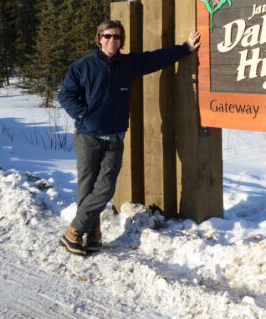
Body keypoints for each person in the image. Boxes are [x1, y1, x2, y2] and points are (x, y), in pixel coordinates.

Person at [57, 20, 201, 256]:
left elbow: (156, 58)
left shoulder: (128, 64)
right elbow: (66, 96)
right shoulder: (82, 67)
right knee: (86, 189)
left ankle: (73, 231)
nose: (112, 40)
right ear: (99, 39)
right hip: (88, 137)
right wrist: (84, 114)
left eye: (117, 37)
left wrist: (184, 48)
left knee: (104, 189)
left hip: (115, 138)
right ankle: (91, 234)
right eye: (108, 36)